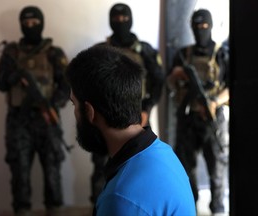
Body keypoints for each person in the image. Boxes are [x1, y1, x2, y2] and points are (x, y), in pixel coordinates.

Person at [66, 45, 196, 216]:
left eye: (74, 104)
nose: (75, 113)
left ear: (90, 112)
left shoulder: (120, 199)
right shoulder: (163, 151)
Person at [0, 6, 70, 216]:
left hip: (47, 118)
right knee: (20, 174)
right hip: (18, 121)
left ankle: (54, 210)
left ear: (42, 23)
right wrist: (15, 77)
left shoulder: (55, 53)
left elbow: (67, 85)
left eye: (35, 23)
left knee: (53, 173)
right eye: (26, 23)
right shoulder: (11, 53)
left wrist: (52, 103)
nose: (30, 27)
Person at [90, 2, 165, 204]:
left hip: (138, 118)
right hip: (106, 120)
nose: (120, 23)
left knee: (143, 164)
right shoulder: (100, 51)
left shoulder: (146, 51)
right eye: (116, 19)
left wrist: (147, 108)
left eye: (124, 19)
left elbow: (159, 81)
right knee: (102, 167)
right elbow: (89, 84)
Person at [166, 9, 229, 215]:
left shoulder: (221, 54)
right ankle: (189, 207)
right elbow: (169, 84)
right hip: (188, 117)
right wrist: (176, 75)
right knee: (185, 168)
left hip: (212, 117)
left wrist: (214, 101)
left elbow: (231, 87)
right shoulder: (183, 55)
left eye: (205, 26)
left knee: (217, 171)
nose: (201, 30)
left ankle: (218, 208)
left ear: (210, 26)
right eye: (197, 26)